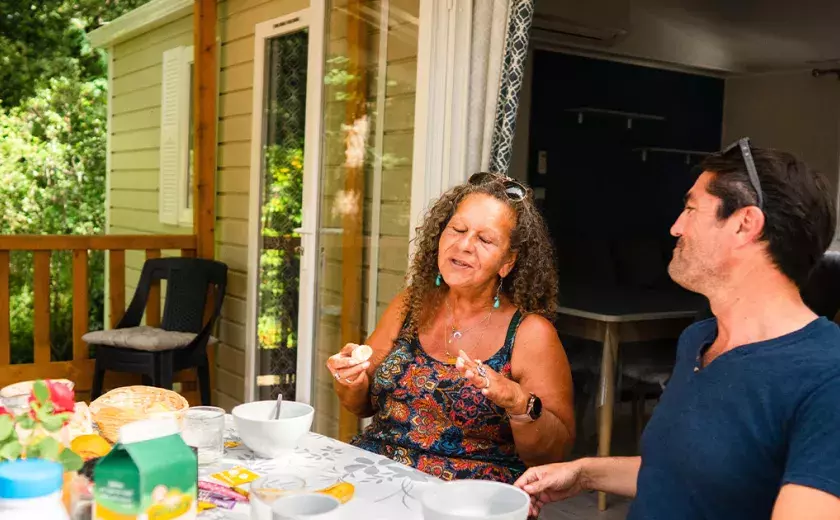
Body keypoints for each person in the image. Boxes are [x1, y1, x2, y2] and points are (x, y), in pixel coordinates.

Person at [515, 140, 840, 519]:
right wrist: (585, 473)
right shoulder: (699, 341)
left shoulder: (826, 379)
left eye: (690, 209)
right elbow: (686, 474)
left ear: (744, 224)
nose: (675, 227)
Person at [326, 172, 575, 482]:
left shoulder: (530, 333)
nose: (465, 245)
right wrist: (349, 378)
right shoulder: (409, 305)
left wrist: (518, 402)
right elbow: (360, 406)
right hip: (379, 476)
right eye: (457, 229)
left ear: (508, 262)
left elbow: (553, 453)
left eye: (485, 239)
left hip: (471, 497)